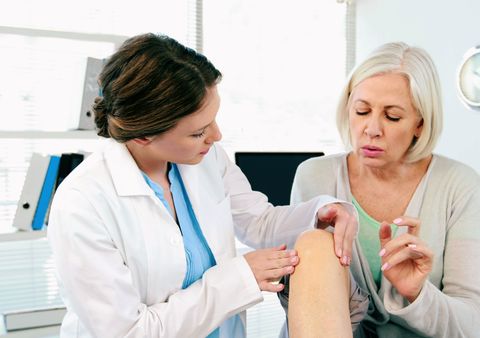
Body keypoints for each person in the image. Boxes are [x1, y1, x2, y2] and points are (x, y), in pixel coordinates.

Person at [46, 33, 358, 338]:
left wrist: (319, 211)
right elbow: (129, 332)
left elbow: (258, 223)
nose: (217, 136)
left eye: (214, 119)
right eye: (198, 132)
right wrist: (240, 277)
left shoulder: (206, 160)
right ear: (143, 135)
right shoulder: (82, 203)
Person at [284, 42, 480, 337]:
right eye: (361, 111)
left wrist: (418, 293)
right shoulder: (314, 177)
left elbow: (474, 321)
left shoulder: (458, 185)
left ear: (420, 123)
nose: (371, 128)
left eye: (392, 116)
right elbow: (301, 302)